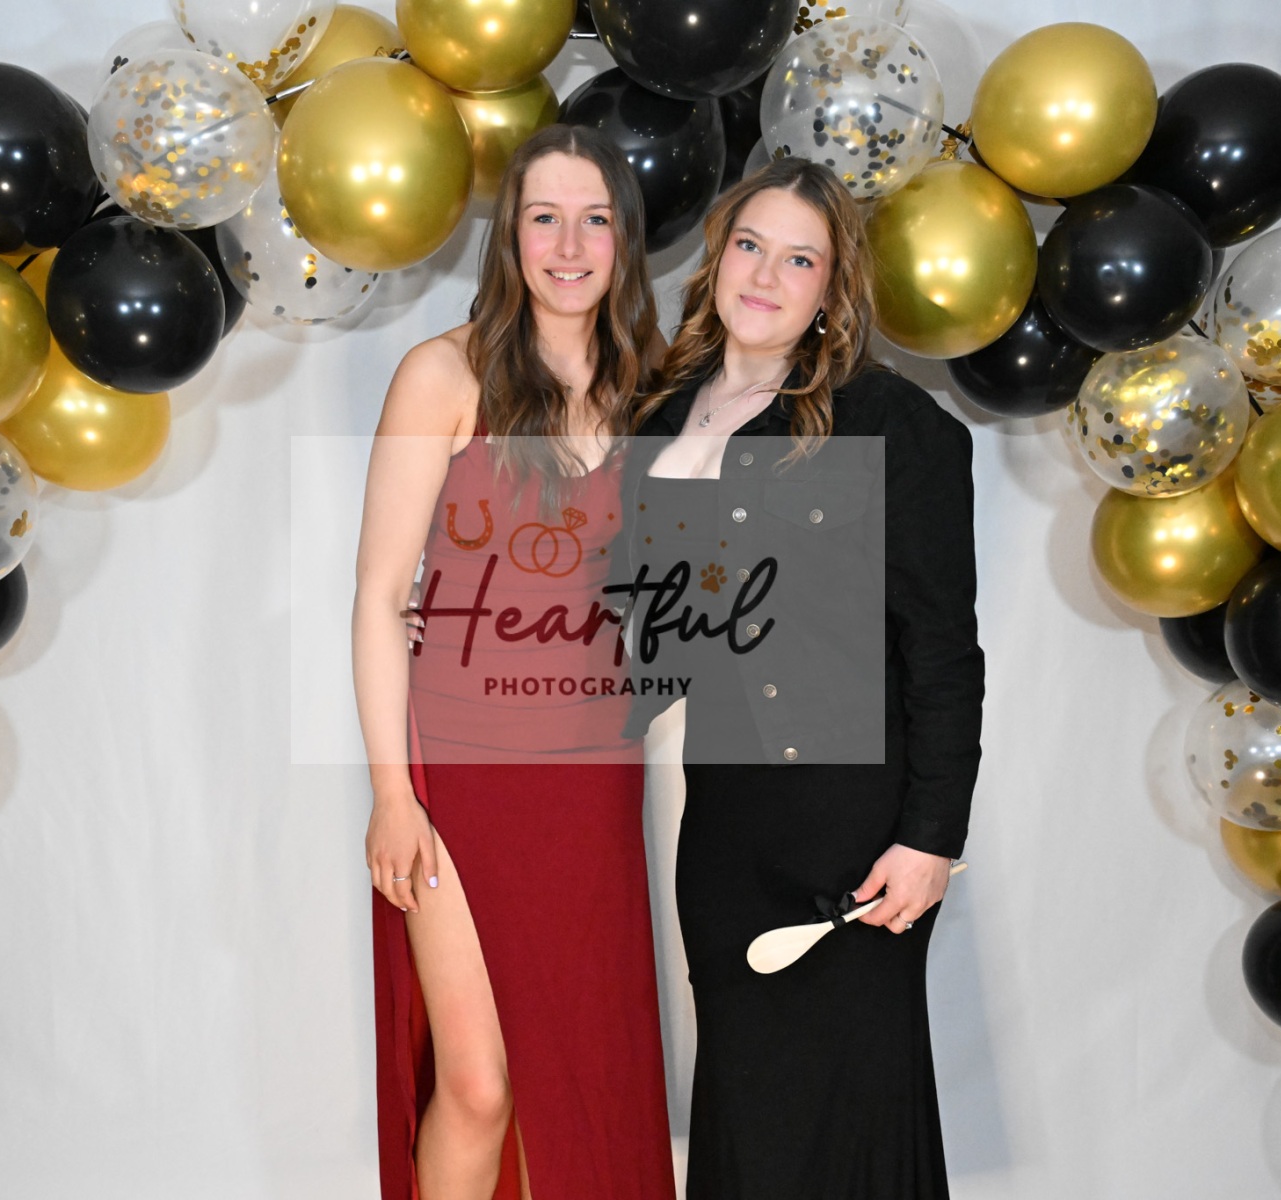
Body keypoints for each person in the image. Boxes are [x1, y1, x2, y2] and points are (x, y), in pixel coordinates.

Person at [619, 156, 984, 1198]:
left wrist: (930, 838)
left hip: (854, 832)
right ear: (718, 259)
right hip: (726, 827)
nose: (766, 275)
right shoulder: (659, 417)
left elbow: (943, 651)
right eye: (750, 245)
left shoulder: (891, 423)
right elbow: (651, 631)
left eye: (799, 259)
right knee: (748, 1103)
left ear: (833, 287)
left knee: (850, 1109)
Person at [351, 124, 675, 1200]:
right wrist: (392, 796)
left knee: (582, 1072)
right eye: (544, 218)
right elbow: (377, 597)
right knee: (480, 1083)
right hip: (458, 775)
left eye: (595, 220)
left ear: (625, 240)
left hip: (592, 777)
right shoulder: (444, 374)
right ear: (511, 237)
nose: (569, 246)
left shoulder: (657, 387)